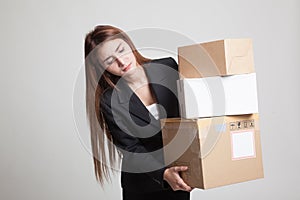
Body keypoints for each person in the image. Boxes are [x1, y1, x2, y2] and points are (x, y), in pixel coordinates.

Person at [84, 25, 192, 200]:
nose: (122, 61)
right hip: (144, 185)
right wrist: (164, 173)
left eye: (121, 50)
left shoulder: (169, 67)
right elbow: (131, 149)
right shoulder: (109, 100)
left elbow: (195, 105)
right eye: (109, 60)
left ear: (129, 44)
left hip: (180, 177)